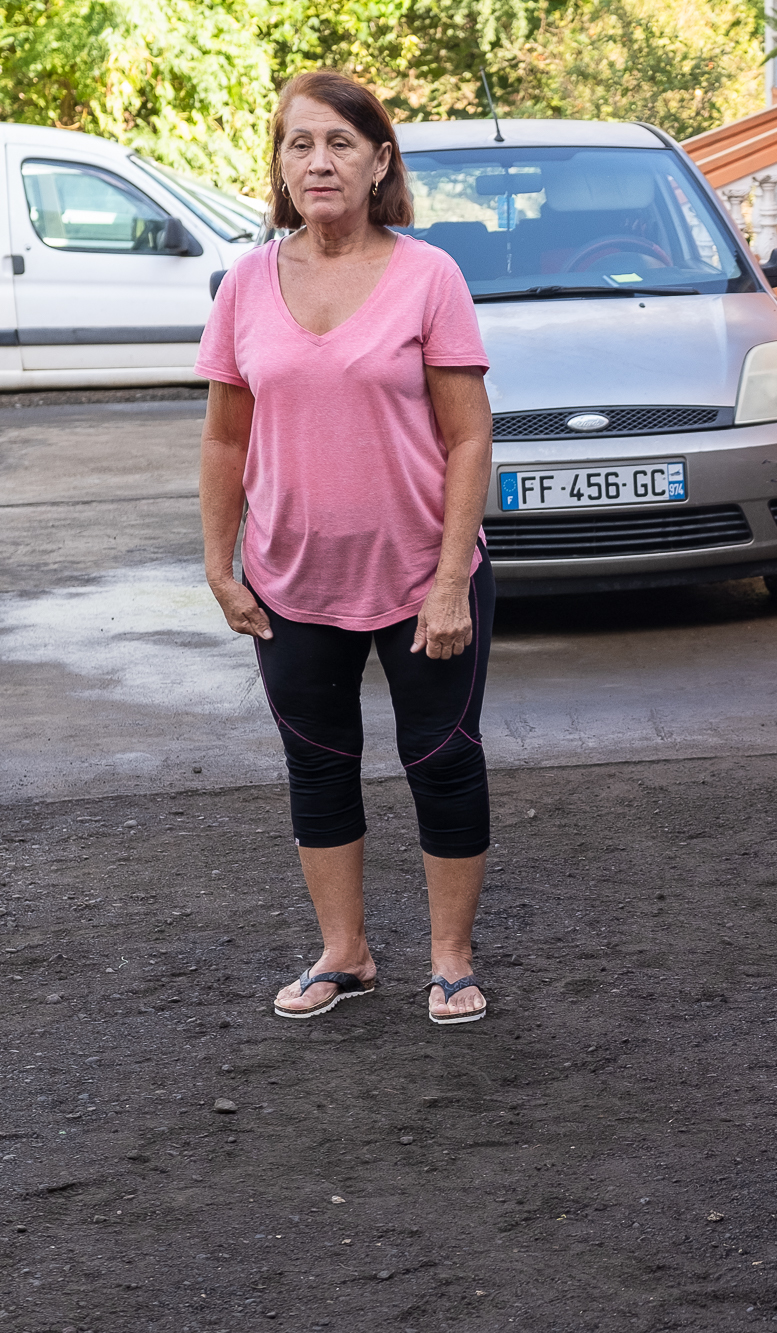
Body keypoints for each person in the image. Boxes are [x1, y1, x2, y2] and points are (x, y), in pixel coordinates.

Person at [197, 70, 496, 1025]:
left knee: (442, 759)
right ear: (280, 166)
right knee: (317, 765)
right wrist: (218, 560)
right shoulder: (246, 283)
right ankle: (346, 952)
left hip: (421, 575)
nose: (318, 161)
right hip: (291, 578)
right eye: (299, 144)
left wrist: (451, 579)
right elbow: (223, 437)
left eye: (339, 143)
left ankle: (450, 959)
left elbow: (469, 437)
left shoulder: (428, 276)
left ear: (379, 161)